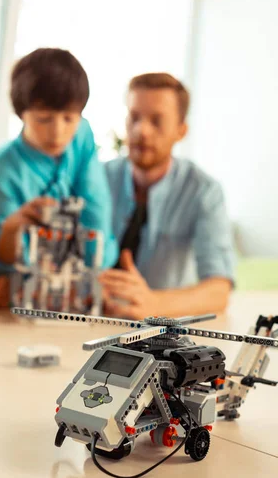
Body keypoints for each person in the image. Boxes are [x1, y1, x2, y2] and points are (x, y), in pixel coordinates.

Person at [99, 73, 235, 319]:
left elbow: (219, 291)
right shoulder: (98, 178)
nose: (142, 131)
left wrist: (154, 304)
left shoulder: (204, 191)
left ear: (181, 130)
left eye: (157, 120)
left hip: (162, 334)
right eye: (134, 118)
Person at [0, 47, 118, 280]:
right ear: (21, 112)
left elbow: (96, 213)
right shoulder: (1, 172)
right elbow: (4, 263)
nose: (58, 132)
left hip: (87, 282)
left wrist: (95, 268)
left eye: (69, 118)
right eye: (43, 119)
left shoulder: (82, 135)